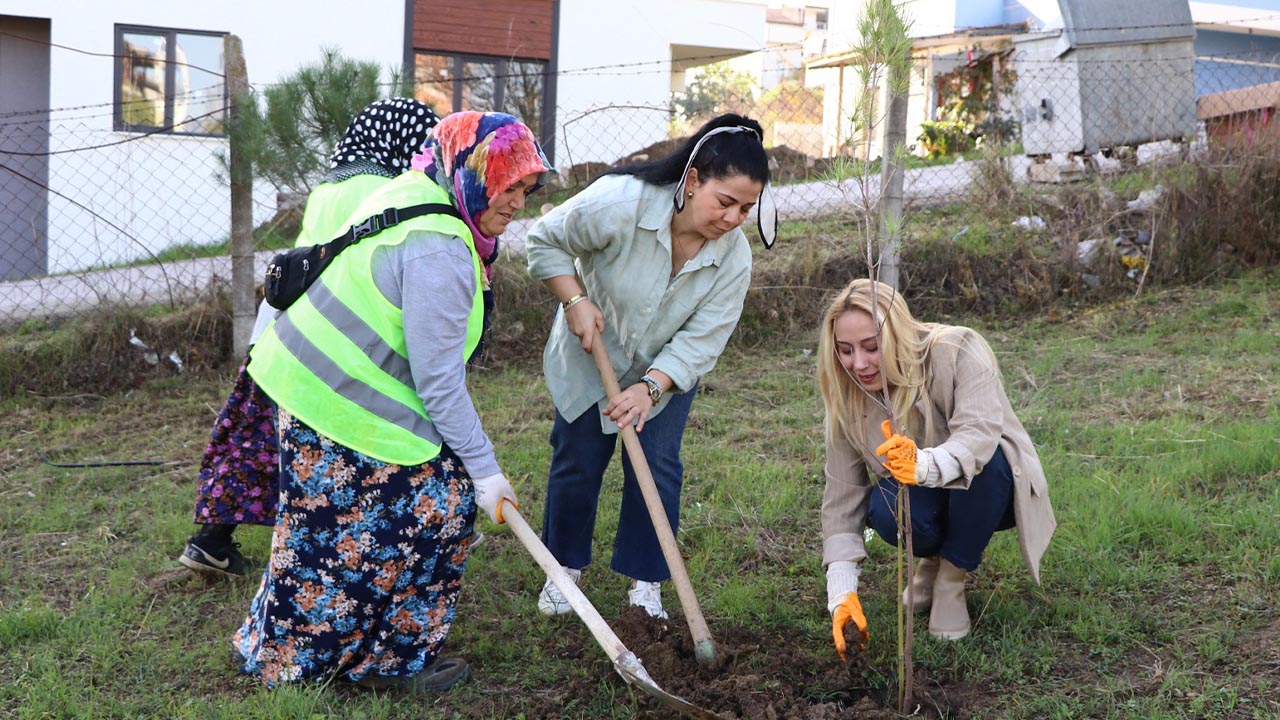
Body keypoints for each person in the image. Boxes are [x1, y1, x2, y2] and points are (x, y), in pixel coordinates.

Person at [232, 111, 552, 691]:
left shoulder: (415, 189)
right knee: (439, 509)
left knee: (316, 531)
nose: (517, 203)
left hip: (304, 379)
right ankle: (386, 662)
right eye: (507, 185)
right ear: (471, 173)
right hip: (338, 395)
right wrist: (485, 471)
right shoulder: (440, 251)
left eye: (526, 189)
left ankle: (284, 652)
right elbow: (439, 383)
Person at [178, 98, 441, 577]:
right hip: (331, 335)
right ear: (401, 140)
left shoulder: (329, 185)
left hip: (282, 328)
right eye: (425, 144)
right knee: (333, 446)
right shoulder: (386, 188)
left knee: (256, 438)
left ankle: (210, 541)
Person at [524, 113, 773, 619]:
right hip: (590, 352)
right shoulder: (621, 202)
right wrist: (574, 301)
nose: (732, 219)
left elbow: (703, 339)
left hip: (666, 371)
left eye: (746, 209)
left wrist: (651, 388)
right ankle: (563, 568)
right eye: (725, 202)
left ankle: (646, 582)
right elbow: (544, 239)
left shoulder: (734, 259)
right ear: (693, 179)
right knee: (578, 460)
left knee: (657, 468)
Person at [816, 278, 1056, 655]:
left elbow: (978, 436)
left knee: (990, 462)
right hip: (926, 495)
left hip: (993, 490)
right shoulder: (847, 394)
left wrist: (922, 464)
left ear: (896, 333)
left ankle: (951, 578)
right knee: (885, 508)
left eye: (871, 347)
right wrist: (841, 593)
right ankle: (931, 558)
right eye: (845, 350)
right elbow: (842, 497)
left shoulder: (958, 349)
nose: (858, 364)